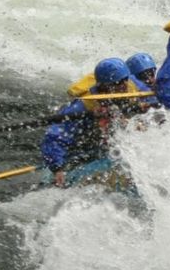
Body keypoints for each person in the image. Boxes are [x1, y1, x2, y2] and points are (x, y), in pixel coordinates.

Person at [40, 57, 155, 187]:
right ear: (104, 85)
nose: (124, 85)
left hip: (114, 140)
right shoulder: (83, 106)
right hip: (87, 146)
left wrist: (147, 105)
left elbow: (153, 100)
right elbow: (55, 136)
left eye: (125, 79)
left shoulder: (131, 84)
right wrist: (57, 168)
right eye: (118, 83)